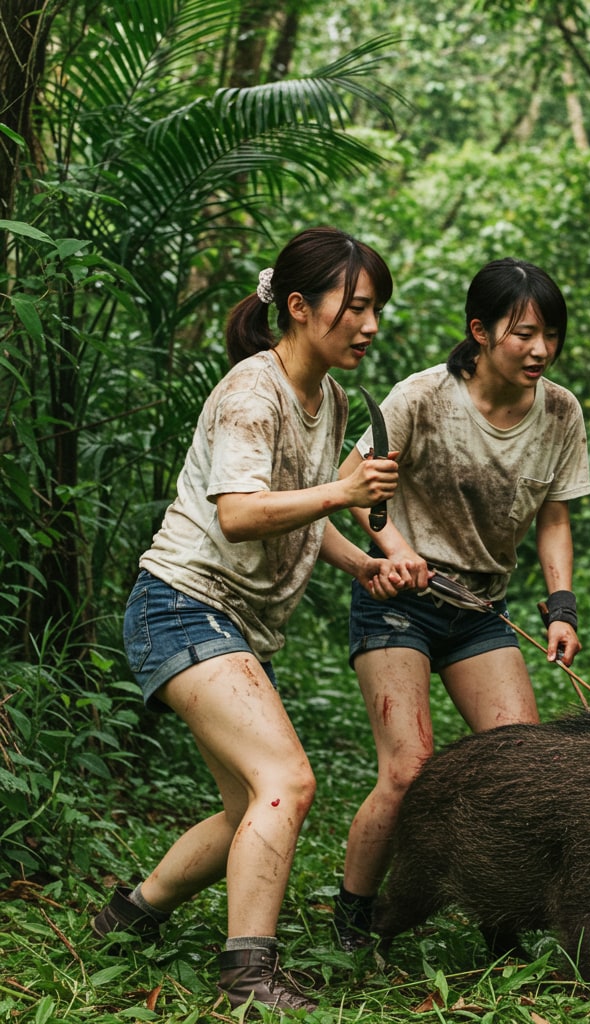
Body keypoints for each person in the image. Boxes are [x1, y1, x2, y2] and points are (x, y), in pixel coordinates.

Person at [90, 227, 406, 1013]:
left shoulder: (327, 397)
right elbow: (238, 514)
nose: (370, 327)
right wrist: (343, 492)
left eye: (377, 311)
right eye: (355, 308)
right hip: (181, 605)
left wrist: (362, 561)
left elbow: (295, 511)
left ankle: (128, 914)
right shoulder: (250, 392)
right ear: (298, 308)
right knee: (287, 781)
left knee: (246, 810)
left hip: (225, 624)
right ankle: (248, 974)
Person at [332, 257, 590, 949]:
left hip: (482, 610)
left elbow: (555, 518)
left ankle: (499, 918)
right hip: (400, 602)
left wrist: (561, 606)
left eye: (551, 335)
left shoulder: (561, 411)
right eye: (523, 334)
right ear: (480, 332)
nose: (540, 350)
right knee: (409, 768)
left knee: (525, 773)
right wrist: (398, 552)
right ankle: (355, 914)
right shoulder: (421, 397)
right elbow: (356, 492)